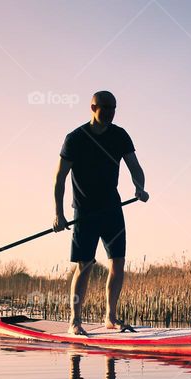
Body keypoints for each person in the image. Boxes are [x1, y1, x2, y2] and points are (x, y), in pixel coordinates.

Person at [53, 90, 149, 335]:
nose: (109, 112)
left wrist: (140, 188)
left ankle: (111, 317)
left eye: (113, 108)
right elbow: (60, 178)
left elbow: (135, 168)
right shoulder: (75, 138)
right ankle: (75, 321)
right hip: (85, 213)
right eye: (104, 107)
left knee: (118, 263)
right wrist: (59, 214)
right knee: (84, 266)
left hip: (112, 210)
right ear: (92, 107)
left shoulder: (120, 136)